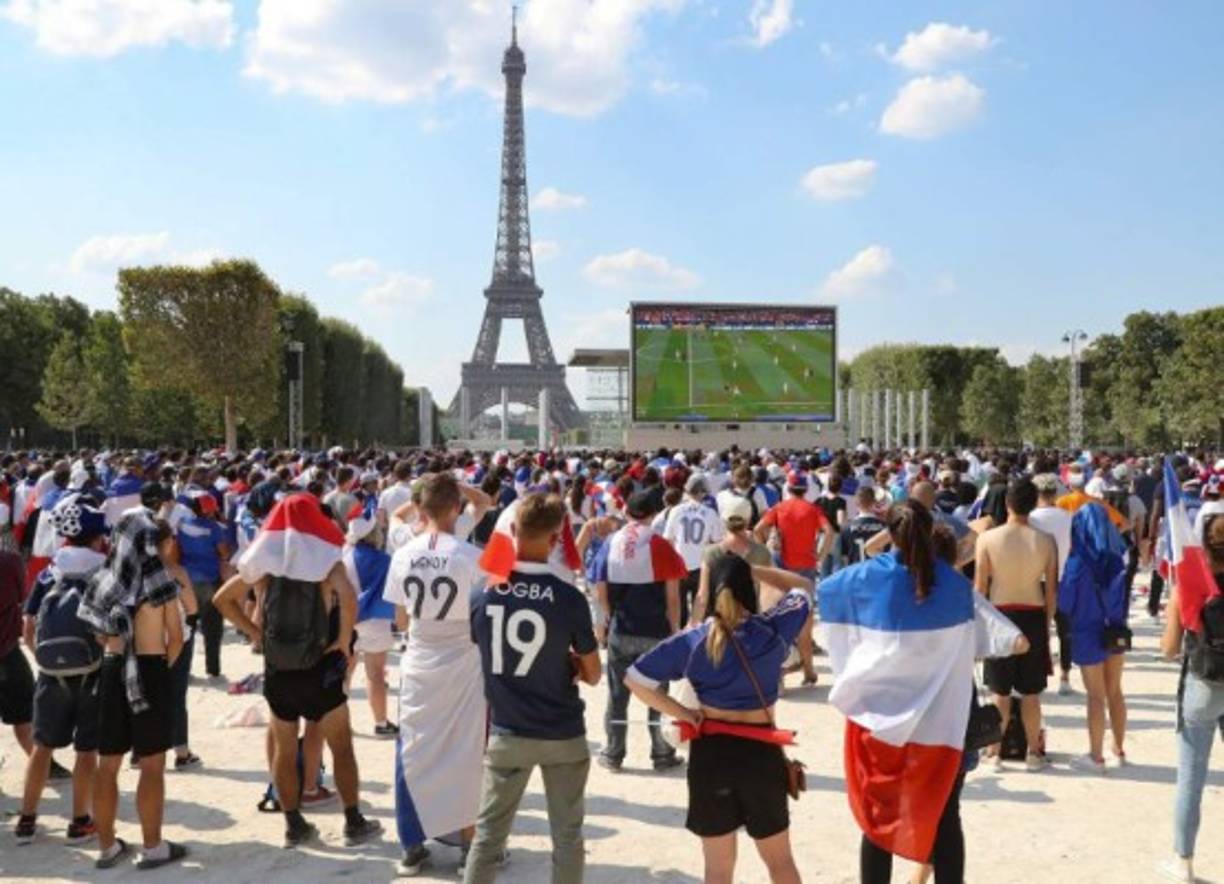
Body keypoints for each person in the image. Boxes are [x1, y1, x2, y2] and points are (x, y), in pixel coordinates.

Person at [819, 500, 1027, 884]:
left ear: (892, 532)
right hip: (942, 727)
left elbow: (825, 592)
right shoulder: (956, 588)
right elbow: (1017, 642)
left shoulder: (862, 578)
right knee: (946, 816)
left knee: (877, 820)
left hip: (880, 726)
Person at [625, 556, 810, 884]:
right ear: (748, 589)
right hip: (761, 752)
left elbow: (635, 678)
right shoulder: (773, 629)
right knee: (780, 862)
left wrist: (683, 713)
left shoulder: (694, 641)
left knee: (718, 870)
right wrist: (753, 567)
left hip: (711, 756)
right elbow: (804, 587)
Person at [213, 493, 381, 848]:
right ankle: (353, 820)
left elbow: (222, 600)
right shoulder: (326, 560)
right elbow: (348, 598)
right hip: (320, 666)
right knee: (342, 747)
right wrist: (342, 639)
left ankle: (294, 824)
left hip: (280, 668)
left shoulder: (263, 561)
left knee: (284, 749)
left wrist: (255, 633)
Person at [464, 494, 602, 884]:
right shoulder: (569, 598)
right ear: (557, 538)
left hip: (509, 730)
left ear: (511, 532)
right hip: (562, 730)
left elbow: (487, 647)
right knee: (568, 836)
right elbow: (593, 674)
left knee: (488, 837)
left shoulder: (482, 591)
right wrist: (569, 662)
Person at [385, 473, 489, 877]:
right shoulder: (469, 555)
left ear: (420, 508)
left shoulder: (403, 552)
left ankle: (412, 845)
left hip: (420, 654)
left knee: (411, 750)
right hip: (463, 656)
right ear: (454, 508)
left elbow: (399, 616)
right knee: (467, 754)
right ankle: (468, 844)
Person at [77, 507, 187, 870]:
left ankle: (107, 847)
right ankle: (153, 846)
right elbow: (176, 638)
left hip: (112, 670)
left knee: (107, 764)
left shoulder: (103, 578)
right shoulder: (160, 581)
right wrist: (156, 673)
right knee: (152, 765)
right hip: (150, 668)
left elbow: (97, 631)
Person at [15, 494, 108, 845]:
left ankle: (27, 820)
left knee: (42, 747)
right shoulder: (103, 570)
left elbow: (29, 627)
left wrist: (43, 658)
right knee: (87, 751)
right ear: (97, 536)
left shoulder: (48, 573)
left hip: (50, 675)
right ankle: (80, 821)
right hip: (92, 673)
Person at [591, 490, 688, 772]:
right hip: (655, 632)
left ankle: (613, 753)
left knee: (617, 697)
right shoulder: (659, 544)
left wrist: (605, 621)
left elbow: (600, 590)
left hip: (622, 628)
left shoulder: (611, 543)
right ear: (652, 514)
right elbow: (673, 598)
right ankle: (661, 753)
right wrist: (675, 632)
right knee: (657, 696)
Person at [974, 478, 1058, 771]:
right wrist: (1046, 624)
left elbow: (980, 588)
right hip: (1033, 613)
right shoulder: (1046, 541)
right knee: (1031, 691)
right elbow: (1051, 591)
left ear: (1007, 503)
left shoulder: (988, 539)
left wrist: (980, 629)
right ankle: (1034, 753)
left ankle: (995, 752)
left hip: (999, 614)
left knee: (1000, 690)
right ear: (1034, 504)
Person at [1158, 514, 1224, 884]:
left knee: (1191, 777)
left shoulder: (1191, 583)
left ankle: (1183, 861)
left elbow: (1169, 649)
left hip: (1204, 682)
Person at [1058, 503, 1130, 773]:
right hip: (1115, 630)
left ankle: (1096, 756)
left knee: (1095, 696)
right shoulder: (1118, 557)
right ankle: (1119, 748)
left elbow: (1065, 603)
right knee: (1116, 692)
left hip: (1087, 631)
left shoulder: (1077, 562)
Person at [754, 471, 832, 685]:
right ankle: (808, 672)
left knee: (778, 621)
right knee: (805, 625)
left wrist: (766, 550)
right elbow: (829, 531)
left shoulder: (779, 508)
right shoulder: (813, 509)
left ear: (788, 487)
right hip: (806, 568)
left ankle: (778, 675)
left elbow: (758, 529)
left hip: (782, 568)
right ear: (806, 488)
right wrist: (820, 555)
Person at [342, 503, 398, 738]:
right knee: (375, 674)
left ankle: (340, 721)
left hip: (347, 619)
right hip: (376, 620)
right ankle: (381, 722)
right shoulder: (385, 559)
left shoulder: (343, 555)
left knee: (345, 671)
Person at [175, 490, 231, 680]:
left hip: (186, 581)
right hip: (209, 580)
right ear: (209, 509)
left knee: (187, 627)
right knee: (213, 627)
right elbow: (224, 553)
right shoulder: (214, 528)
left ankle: (184, 670)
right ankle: (213, 669)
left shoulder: (181, 525)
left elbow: (177, 550)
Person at [1028, 473, 1075, 694]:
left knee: (1038, 630)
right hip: (1064, 578)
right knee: (1065, 630)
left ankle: (1037, 676)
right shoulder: (1068, 517)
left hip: (1037, 579)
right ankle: (1065, 677)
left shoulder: (1030, 518)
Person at [662, 475, 724, 625]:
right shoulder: (710, 513)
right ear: (703, 493)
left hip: (679, 564)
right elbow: (716, 540)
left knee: (680, 606)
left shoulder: (676, 510)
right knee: (701, 605)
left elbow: (668, 539)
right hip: (701, 565)